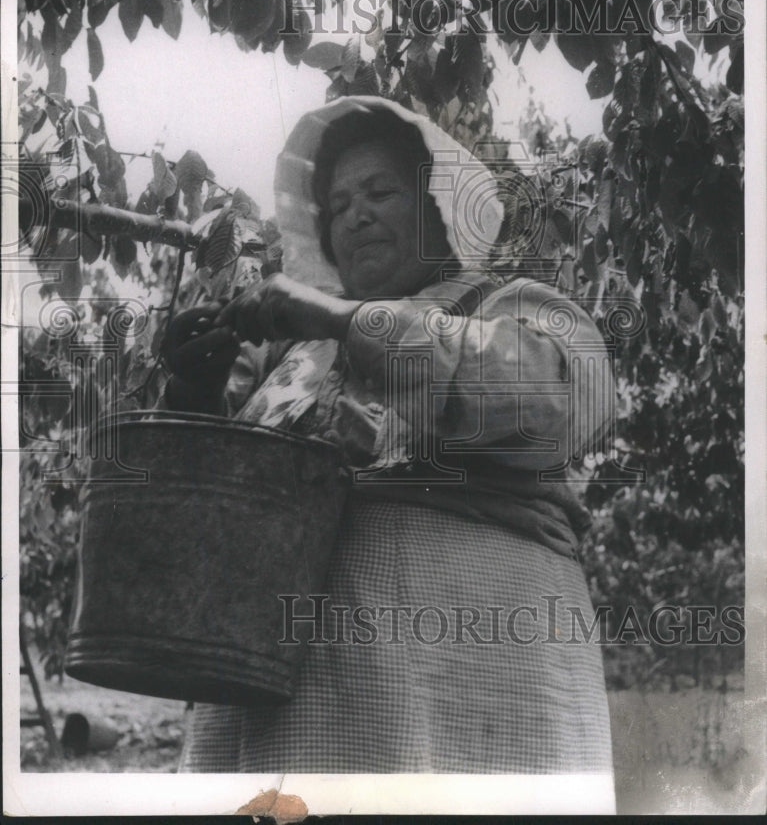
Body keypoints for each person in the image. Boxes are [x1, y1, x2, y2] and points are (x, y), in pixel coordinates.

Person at [163, 96, 615, 776]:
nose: (356, 215)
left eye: (380, 192)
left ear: (438, 210)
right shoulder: (294, 360)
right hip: (292, 691)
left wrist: (348, 321)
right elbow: (210, 515)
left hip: (464, 670)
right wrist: (193, 392)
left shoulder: (507, 306)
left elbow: (543, 401)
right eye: (338, 205)